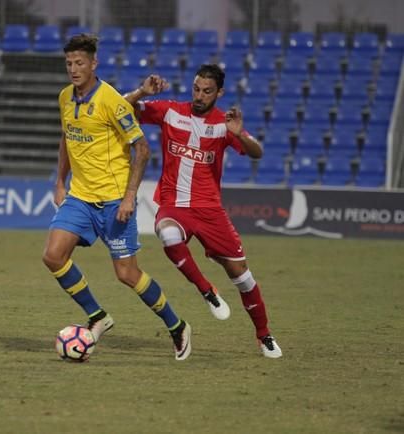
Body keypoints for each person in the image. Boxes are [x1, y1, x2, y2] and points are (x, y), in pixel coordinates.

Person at [42, 34, 192, 360]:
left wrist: (129, 198)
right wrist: (59, 181)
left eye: (80, 62)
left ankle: (177, 326)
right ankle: (98, 317)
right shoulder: (65, 97)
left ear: (94, 64)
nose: (73, 69)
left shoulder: (110, 98)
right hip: (80, 198)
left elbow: (142, 148)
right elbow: (68, 138)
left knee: (126, 274)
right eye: (69, 63)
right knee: (53, 256)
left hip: (114, 201)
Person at [123, 64, 282, 358]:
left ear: (219, 93)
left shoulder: (225, 123)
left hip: (210, 210)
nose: (199, 95)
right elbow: (121, 108)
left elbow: (257, 152)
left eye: (207, 91)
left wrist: (240, 135)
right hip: (174, 205)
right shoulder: (170, 111)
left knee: (242, 277)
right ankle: (207, 290)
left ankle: (264, 336)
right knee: (168, 235)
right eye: (196, 89)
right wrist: (142, 91)